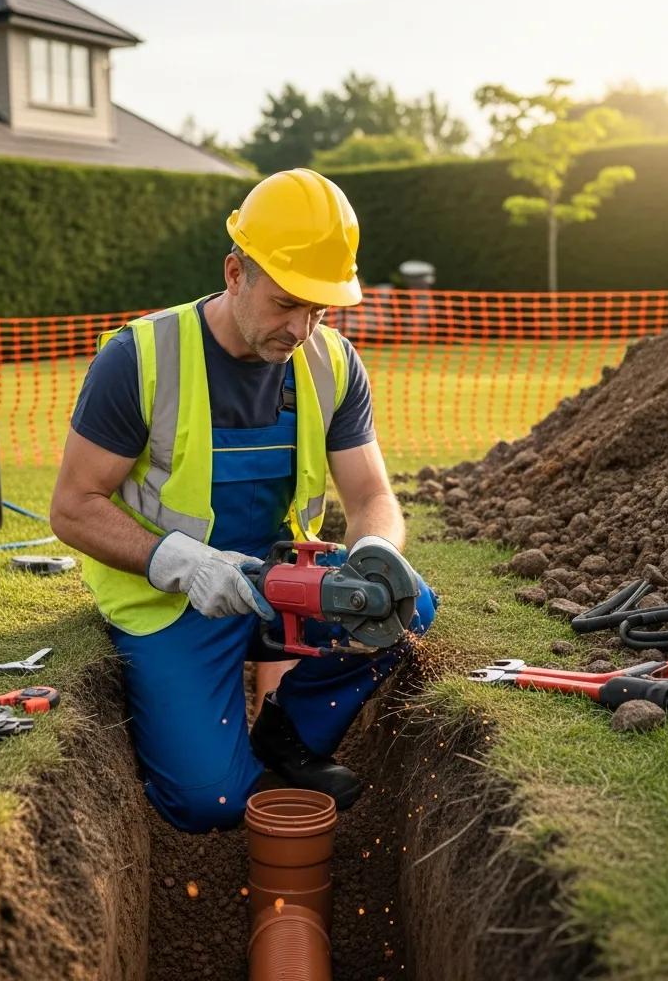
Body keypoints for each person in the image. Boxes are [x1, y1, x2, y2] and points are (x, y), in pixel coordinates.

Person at [50, 168, 438, 833]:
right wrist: (188, 566)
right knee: (211, 803)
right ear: (235, 273)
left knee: (405, 602)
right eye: (287, 303)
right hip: (172, 601)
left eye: (319, 310)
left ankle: (289, 732)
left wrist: (373, 555)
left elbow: (372, 492)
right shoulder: (141, 357)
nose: (301, 328)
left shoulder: (333, 362)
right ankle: (225, 756)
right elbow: (72, 505)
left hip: (279, 584)